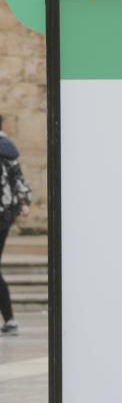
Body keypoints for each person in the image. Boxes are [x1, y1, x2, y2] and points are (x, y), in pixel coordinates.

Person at [0, 118, 31, 335]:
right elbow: (18, 180)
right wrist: (24, 203)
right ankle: (10, 319)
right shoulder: (7, 147)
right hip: (5, 215)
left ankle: (10, 320)